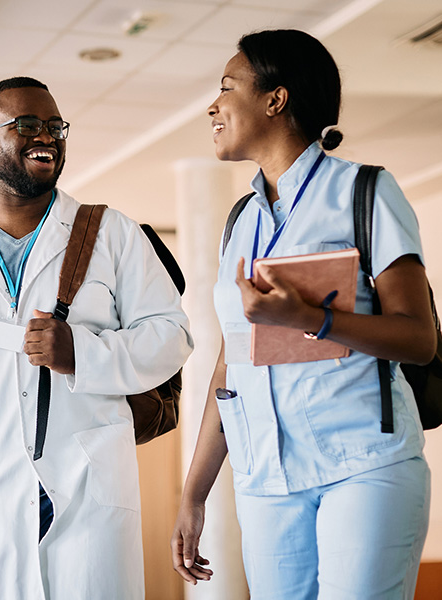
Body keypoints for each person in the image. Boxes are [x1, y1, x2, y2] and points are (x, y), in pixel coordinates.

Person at [0, 76, 193, 599]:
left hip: (87, 491)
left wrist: (82, 353)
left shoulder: (112, 234)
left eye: (55, 126)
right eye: (27, 125)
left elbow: (172, 336)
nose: (46, 136)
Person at [171, 29, 434, 599]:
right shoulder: (240, 221)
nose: (213, 105)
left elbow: (419, 338)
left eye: (227, 86)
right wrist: (193, 494)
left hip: (363, 464)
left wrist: (310, 317)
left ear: (276, 99)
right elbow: (229, 369)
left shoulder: (364, 191)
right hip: (266, 478)